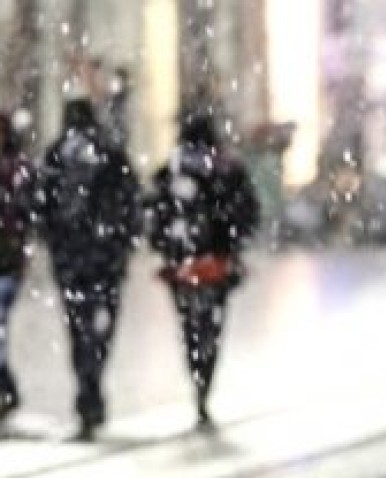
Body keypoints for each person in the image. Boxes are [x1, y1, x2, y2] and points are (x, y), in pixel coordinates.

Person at [36, 97, 140, 440]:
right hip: (106, 260)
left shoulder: (56, 154)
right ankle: (91, 382)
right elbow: (131, 202)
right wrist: (123, 245)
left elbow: (41, 207)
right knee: (101, 327)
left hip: (71, 260)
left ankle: (87, 386)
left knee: (78, 327)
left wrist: (56, 245)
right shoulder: (111, 153)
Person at [148, 112, 260, 428]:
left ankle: (197, 374)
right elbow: (247, 214)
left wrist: (167, 248)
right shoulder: (227, 169)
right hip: (216, 266)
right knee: (211, 328)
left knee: (190, 327)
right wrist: (231, 246)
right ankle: (204, 383)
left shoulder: (172, 170)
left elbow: (155, 213)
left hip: (182, 266)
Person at [0, 113, 35, 422]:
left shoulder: (15, 169)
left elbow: (26, 212)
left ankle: (6, 387)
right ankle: (6, 386)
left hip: (7, 262)